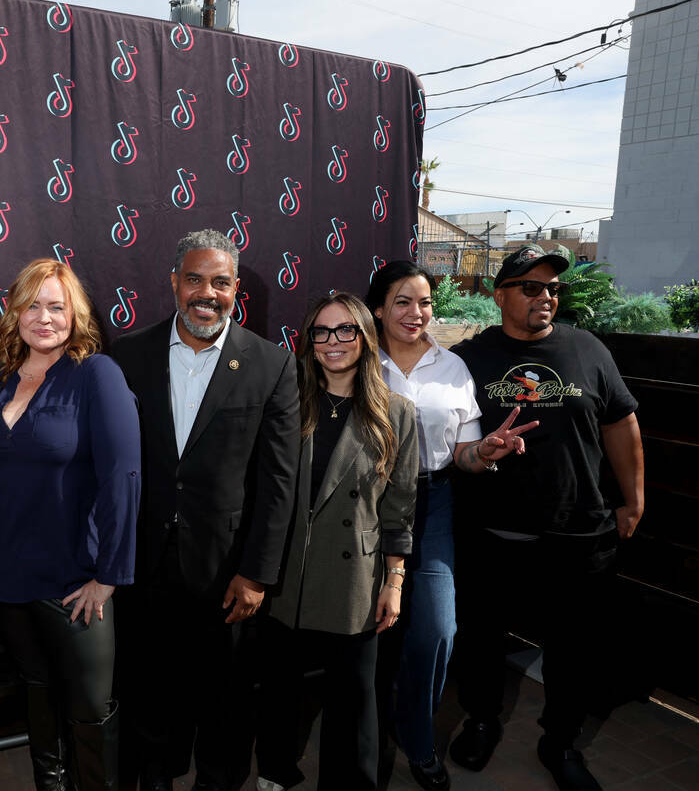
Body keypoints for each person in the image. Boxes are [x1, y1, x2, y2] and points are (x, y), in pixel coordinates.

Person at [109, 229, 300, 791]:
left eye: (220, 282)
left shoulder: (271, 365)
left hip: (228, 571)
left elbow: (278, 482)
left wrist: (258, 572)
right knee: (148, 693)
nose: (206, 293)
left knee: (226, 699)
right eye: (194, 279)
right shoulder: (125, 356)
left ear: (236, 289)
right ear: (174, 282)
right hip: (144, 566)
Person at [447, 246, 644, 791]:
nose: (546, 296)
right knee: (481, 639)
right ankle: (482, 720)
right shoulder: (469, 358)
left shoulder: (589, 350)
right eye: (530, 287)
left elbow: (620, 425)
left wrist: (634, 499)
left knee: (574, 649)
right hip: (493, 531)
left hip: (579, 532)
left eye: (552, 287)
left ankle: (560, 741)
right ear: (500, 295)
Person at [0, 258, 141, 791]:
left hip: (74, 579)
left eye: (57, 306)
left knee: (90, 708)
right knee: (36, 688)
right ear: (15, 312)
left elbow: (123, 477)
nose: (44, 317)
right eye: (33, 305)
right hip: (3, 570)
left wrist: (108, 575)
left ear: (75, 315)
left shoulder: (96, 375)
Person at [364, 261, 537, 791]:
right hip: (363, 505)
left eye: (425, 303)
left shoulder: (453, 369)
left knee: (437, 630)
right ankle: (363, 740)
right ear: (378, 308)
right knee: (361, 628)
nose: (418, 313)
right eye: (403, 302)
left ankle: (416, 739)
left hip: (431, 500)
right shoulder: (358, 359)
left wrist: (484, 452)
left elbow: (462, 455)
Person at [255, 292, 418, 791]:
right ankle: (275, 772)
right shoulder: (286, 400)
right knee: (279, 688)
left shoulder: (396, 413)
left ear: (366, 338)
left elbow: (399, 507)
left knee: (353, 697)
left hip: (355, 576)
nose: (332, 342)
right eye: (321, 332)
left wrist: (394, 580)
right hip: (286, 573)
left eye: (345, 330)